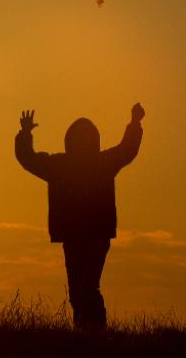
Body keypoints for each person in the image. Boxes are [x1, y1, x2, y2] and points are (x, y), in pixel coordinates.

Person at [15, 104, 144, 330]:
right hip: (76, 236)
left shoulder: (89, 164)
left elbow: (127, 149)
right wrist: (25, 133)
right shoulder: (65, 165)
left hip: (93, 236)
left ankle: (94, 333)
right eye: (79, 138)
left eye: (85, 137)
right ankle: (87, 332)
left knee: (87, 287)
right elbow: (29, 159)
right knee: (78, 290)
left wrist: (135, 123)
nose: (82, 142)